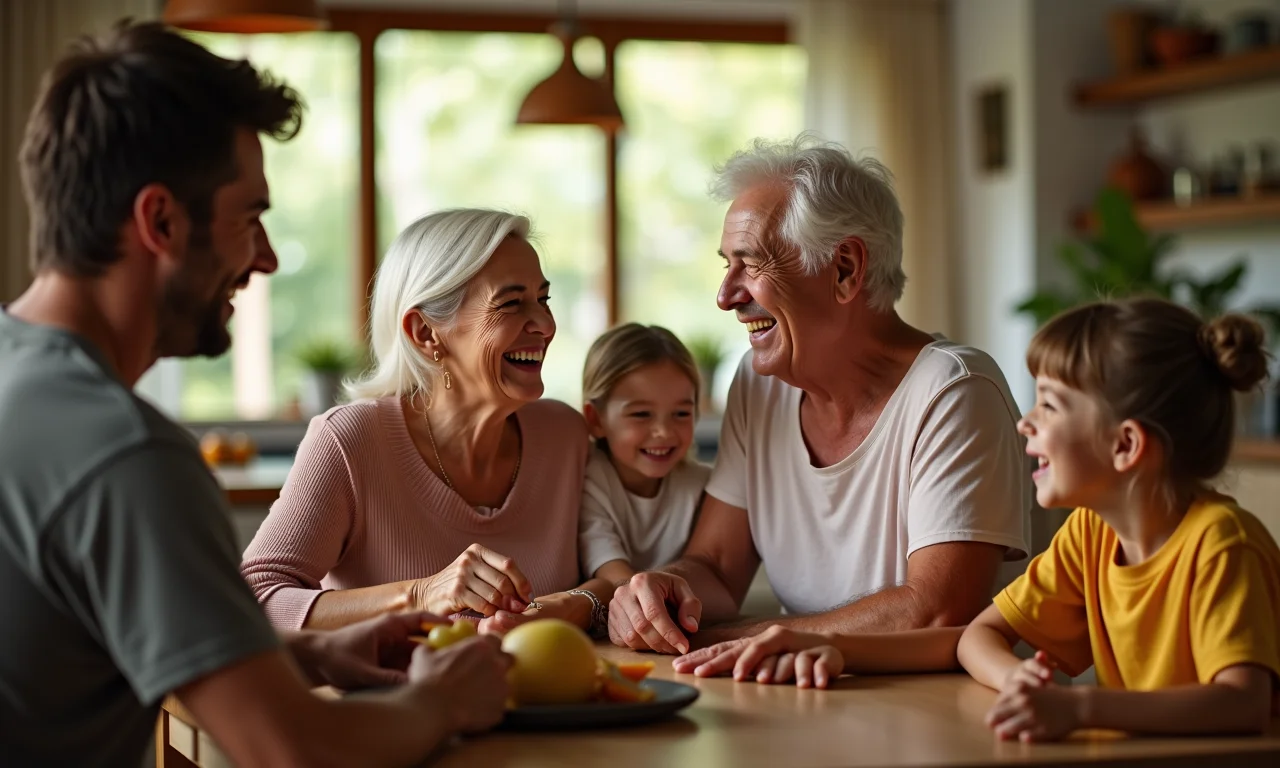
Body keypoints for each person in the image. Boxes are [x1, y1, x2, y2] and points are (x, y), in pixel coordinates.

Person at [0, 21, 509, 767]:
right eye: (250, 218)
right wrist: (443, 699)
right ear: (161, 221)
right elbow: (295, 750)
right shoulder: (127, 456)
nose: (266, 258)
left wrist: (307, 653)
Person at [610, 135, 1031, 657]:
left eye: (753, 263)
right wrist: (664, 591)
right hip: (803, 699)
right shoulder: (758, 384)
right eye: (727, 265)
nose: (726, 296)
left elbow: (936, 609)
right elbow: (717, 567)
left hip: (941, 714)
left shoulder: (956, 392)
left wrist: (738, 639)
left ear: (846, 269)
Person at [241, 208, 610, 638]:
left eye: (543, 300)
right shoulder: (350, 440)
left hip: (548, 700)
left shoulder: (565, 435)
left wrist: (572, 605)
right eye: (510, 303)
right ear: (424, 332)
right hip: (393, 704)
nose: (546, 325)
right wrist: (419, 595)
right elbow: (255, 599)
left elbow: (618, 571)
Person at [957, 298, 1280, 741]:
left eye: (1049, 406)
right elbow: (979, 636)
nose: (1025, 423)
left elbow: (1244, 702)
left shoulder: (1224, 546)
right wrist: (1017, 679)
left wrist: (1080, 706)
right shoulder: (1090, 533)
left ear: (1125, 445)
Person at [578, 323, 712, 585]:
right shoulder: (588, 480)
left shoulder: (703, 487)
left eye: (681, 413)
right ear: (595, 419)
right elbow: (607, 565)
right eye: (641, 414)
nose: (663, 432)